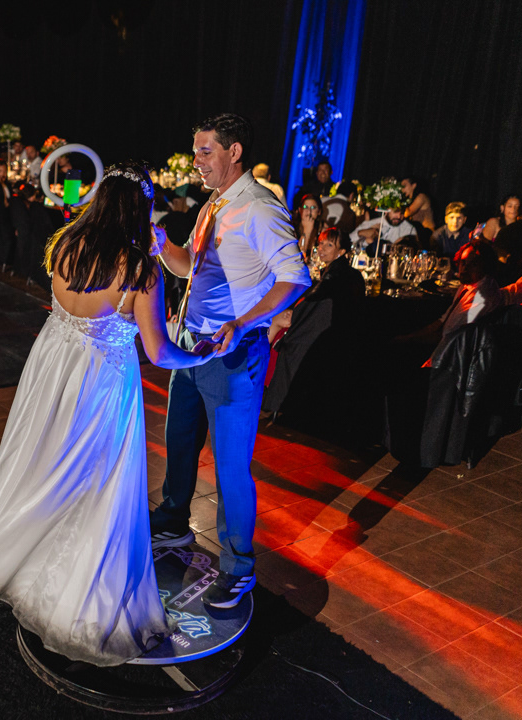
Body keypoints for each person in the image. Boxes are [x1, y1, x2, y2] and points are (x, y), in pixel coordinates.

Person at [0, 162, 219, 666]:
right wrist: (200, 354)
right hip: (99, 384)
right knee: (98, 484)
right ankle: (78, 599)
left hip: (51, 371)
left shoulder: (68, 243)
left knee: (44, 466)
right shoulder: (139, 269)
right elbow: (159, 352)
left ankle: (22, 559)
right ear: (140, 210)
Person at [151, 113, 310, 609]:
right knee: (179, 442)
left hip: (234, 354)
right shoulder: (213, 203)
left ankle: (239, 567)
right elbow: (188, 268)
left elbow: (295, 278)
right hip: (191, 347)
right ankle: (173, 524)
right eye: (195, 152)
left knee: (230, 468)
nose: (196, 161)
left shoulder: (260, 207)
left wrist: (242, 324)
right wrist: (162, 245)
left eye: (205, 151)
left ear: (234, 151)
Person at [350, 207, 418, 252]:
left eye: (402, 213)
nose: (399, 216)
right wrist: (362, 233)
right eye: (396, 211)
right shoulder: (373, 223)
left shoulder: (409, 229)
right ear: (386, 211)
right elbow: (349, 240)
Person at [292, 194, 324, 260]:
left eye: (313, 208)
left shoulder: (322, 230)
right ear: (300, 210)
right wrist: (307, 231)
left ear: (319, 211)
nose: (309, 211)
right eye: (305, 207)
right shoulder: (292, 228)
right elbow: (296, 257)